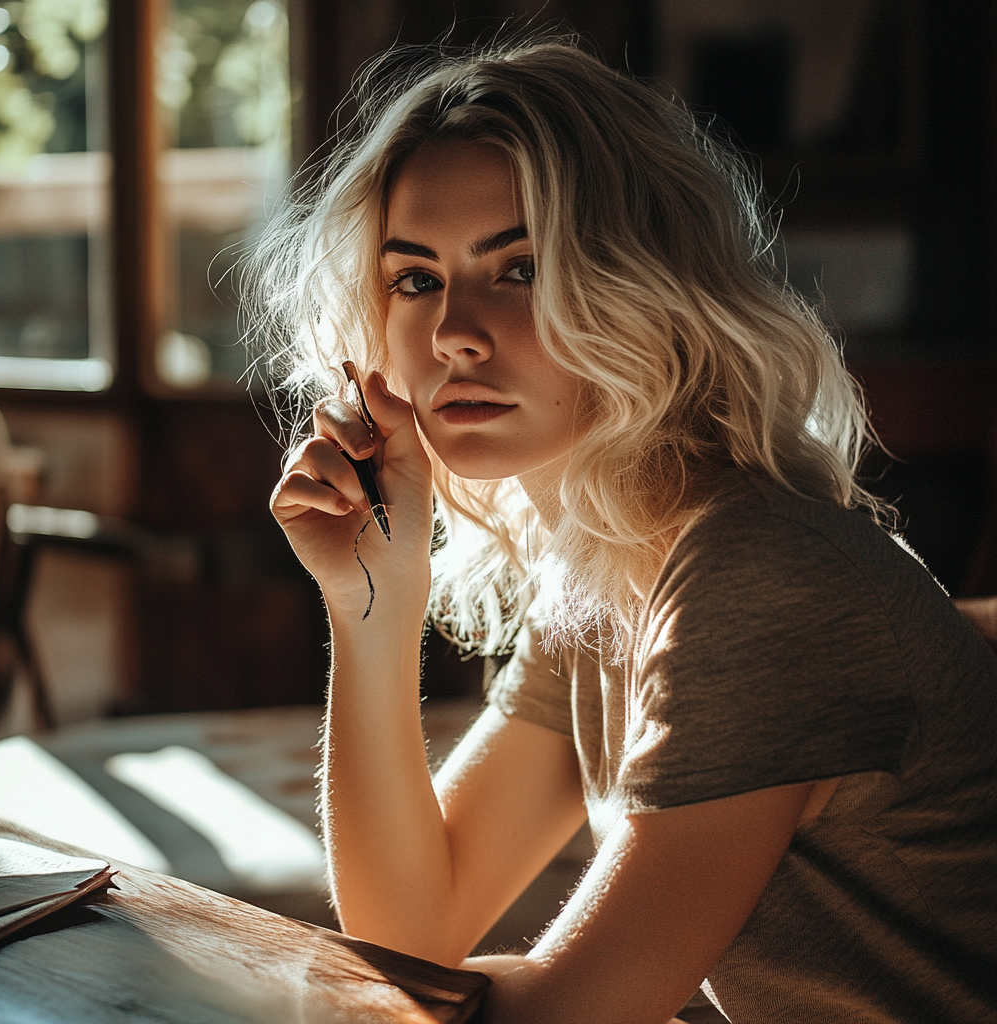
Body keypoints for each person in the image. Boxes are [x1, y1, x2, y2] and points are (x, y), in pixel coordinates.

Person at [253, 37, 997, 1024]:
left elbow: (570, 1011)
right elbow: (412, 931)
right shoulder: (607, 572)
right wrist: (372, 609)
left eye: (517, 268)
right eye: (417, 278)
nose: (453, 335)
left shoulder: (758, 575)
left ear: (636, 284)